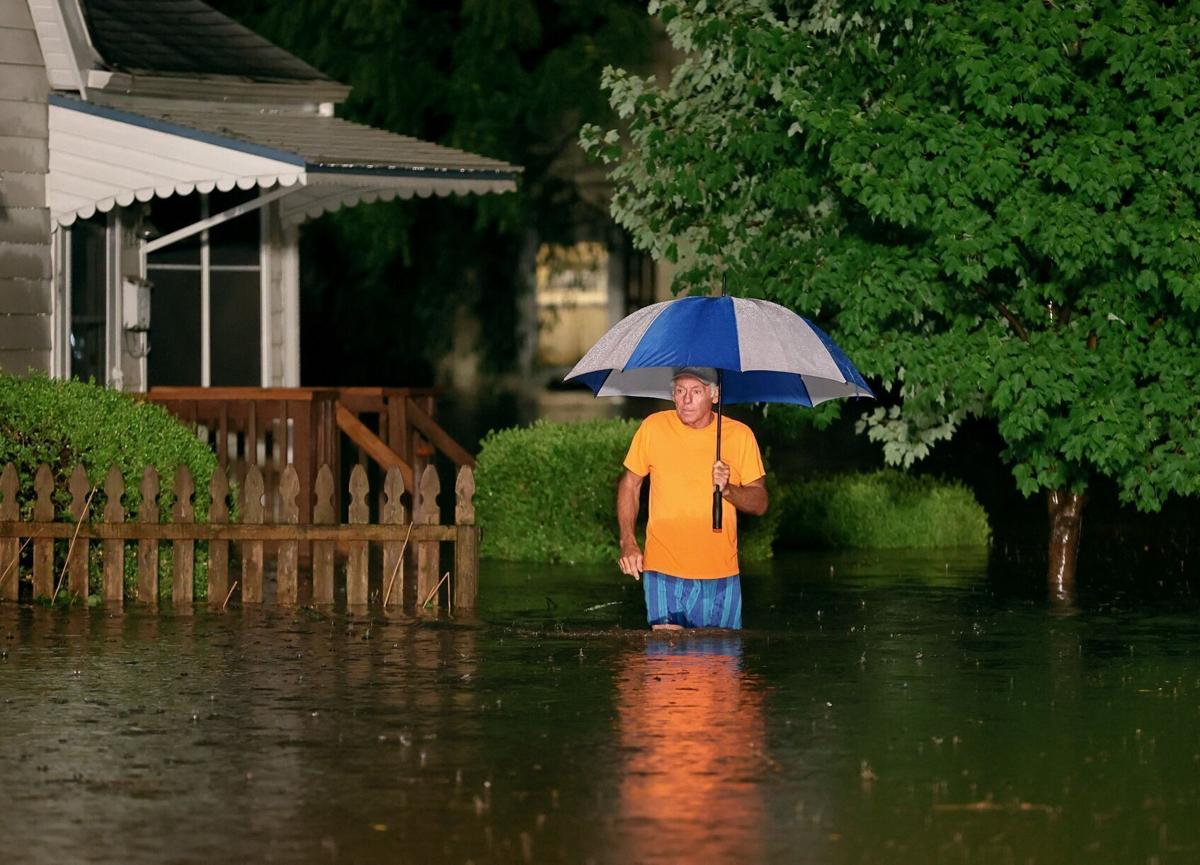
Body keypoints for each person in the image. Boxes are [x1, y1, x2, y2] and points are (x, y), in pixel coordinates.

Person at [617, 367, 767, 630]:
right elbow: (630, 484)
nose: (686, 400)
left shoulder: (740, 435)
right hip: (664, 571)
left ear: (715, 395)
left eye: (696, 392)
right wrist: (628, 541)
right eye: (680, 391)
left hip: (721, 574)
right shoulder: (653, 427)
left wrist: (729, 489)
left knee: (719, 667)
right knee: (667, 663)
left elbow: (760, 503)